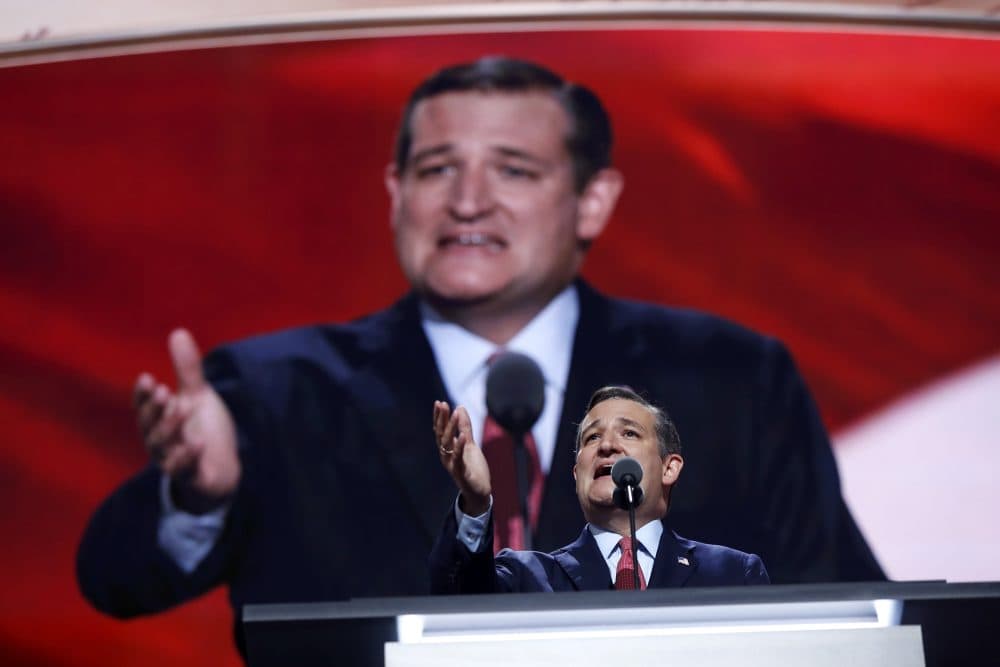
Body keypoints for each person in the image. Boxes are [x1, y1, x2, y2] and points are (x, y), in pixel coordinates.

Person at [76, 56, 881, 654]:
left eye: (513, 169)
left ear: (591, 200)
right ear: (396, 196)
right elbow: (113, 579)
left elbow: (858, 622)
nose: (467, 201)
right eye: (437, 169)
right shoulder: (272, 389)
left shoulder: (734, 381)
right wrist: (197, 497)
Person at [430, 386, 769, 592]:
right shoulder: (528, 578)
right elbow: (457, 599)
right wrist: (475, 503)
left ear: (670, 468)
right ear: (578, 474)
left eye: (630, 433)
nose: (607, 445)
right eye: (592, 438)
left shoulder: (732, 574)